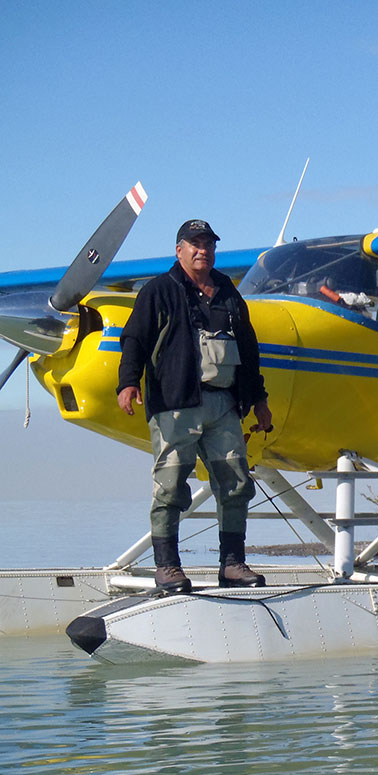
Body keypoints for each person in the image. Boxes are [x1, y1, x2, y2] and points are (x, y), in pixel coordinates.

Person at [117, 220, 273, 592]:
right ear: (179, 250)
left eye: (208, 244)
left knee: (236, 484)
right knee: (170, 487)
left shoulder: (228, 293)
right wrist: (127, 382)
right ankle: (167, 567)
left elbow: (248, 351)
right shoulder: (158, 290)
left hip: (223, 405)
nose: (203, 250)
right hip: (176, 405)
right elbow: (134, 339)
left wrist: (260, 399)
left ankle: (232, 564)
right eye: (195, 244)